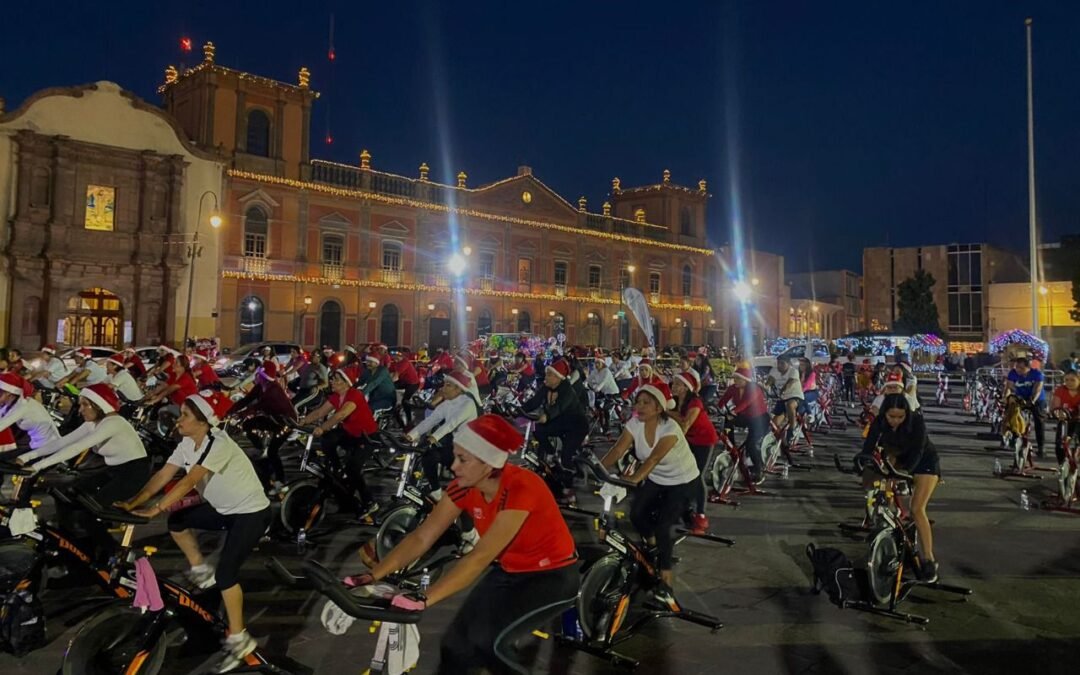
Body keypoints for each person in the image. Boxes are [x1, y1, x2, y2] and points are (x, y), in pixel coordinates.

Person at [353, 414, 578, 674]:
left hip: (553, 577)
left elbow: (478, 557)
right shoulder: (464, 487)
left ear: (489, 463)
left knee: (489, 645)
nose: (453, 466)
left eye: (463, 459)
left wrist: (425, 598)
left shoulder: (521, 487)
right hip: (509, 572)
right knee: (454, 646)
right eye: (454, 456)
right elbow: (422, 536)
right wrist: (372, 575)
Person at [118, 392, 271, 673]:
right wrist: (134, 502)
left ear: (202, 421)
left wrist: (156, 508)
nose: (178, 421)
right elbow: (164, 474)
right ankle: (202, 573)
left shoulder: (217, 443)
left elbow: (189, 480)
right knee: (177, 521)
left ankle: (240, 641)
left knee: (227, 576)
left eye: (185, 415)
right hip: (224, 510)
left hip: (251, 514)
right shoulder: (188, 443)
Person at [20, 384, 150, 554]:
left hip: (132, 474)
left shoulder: (113, 423)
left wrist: (37, 466)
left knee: (88, 514)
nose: (80, 410)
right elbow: (63, 442)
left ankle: (111, 552)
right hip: (112, 470)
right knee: (63, 493)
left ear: (99, 405)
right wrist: (25, 458)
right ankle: (73, 545)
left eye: (85, 405)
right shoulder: (93, 423)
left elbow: (76, 448)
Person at [599, 381, 699, 589]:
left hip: (683, 480)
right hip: (657, 479)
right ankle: (653, 546)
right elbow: (618, 450)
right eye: (638, 402)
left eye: (646, 403)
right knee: (636, 514)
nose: (640, 407)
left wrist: (633, 479)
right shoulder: (634, 425)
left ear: (659, 408)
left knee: (664, 525)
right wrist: (597, 468)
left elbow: (653, 459)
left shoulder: (670, 428)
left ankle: (666, 578)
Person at [860, 393, 941, 582]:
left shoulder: (917, 422)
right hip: (898, 459)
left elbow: (918, 451)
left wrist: (904, 475)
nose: (895, 421)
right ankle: (890, 526)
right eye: (891, 416)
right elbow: (868, 447)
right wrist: (862, 464)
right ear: (884, 414)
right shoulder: (879, 422)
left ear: (907, 414)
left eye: (900, 417)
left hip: (924, 462)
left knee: (917, 509)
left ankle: (928, 559)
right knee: (873, 483)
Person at [298, 368, 380, 519]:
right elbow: (319, 412)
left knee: (352, 469)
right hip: (350, 433)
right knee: (328, 439)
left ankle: (369, 501)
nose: (332, 382)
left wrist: (322, 428)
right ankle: (335, 467)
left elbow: (340, 415)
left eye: (336, 379)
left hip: (366, 437)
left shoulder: (355, 395)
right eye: (332, 379)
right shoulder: (336, 396)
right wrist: (302, 421)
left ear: (346, 383)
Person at [405, 370, 480, 513]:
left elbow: (451, 424)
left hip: (471, 452)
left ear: (458, 389)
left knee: (462, 496)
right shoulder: (448, 403)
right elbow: (430, 421)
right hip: (456, 447)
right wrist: (410, 436)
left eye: (448, 386)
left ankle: (469, 533)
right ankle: (436, 491)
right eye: (444, 385)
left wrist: (432, 439)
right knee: (429, 456)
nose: (442, 389)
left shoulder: (468, 403)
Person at [521, 359, 589, 504]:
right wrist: (518, 410)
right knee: (538, 430)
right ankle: (551, 454)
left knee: (566, 455)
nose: (546, 377)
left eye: (550, 375)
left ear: (559, 377)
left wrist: (547, 416)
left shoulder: (567, 390)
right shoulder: (546, 387)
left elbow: (560, 407)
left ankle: (569, 492)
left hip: (576, 425)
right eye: (546, 374)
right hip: (562, 422)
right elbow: (534, 402)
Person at [227, 360, 297, 494]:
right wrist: (229, 411)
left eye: (259, 374)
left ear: (264, 376)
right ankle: (260, 447)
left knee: (273, 451)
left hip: (286, 423)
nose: (256, 376)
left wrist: (240, 414)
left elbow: (257, 407)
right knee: (248, 425)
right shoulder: (261, 386)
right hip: (272, 418)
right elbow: (247, 400)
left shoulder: (273, 390)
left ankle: (281, 482)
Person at [669, 369, 716, 534]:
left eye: (676, 383)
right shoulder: (676, 401)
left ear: (685, 387)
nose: (673, 386)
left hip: (704, 440)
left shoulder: (695, 402)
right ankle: (684, 509)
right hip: (689, 440)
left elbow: (684, 425)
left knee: (696, 475)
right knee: (682, 473)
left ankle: (701, 515)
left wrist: (667, 412)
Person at [715, 366, 771, 483]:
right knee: (727, 423)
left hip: (759, 419)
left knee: (751, 445)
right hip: (745, 417)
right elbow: (723, 399)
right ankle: (732, 447)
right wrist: (716, 408)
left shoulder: (754, 389)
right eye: (734, 378)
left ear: (745, 379)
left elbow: (746, 402)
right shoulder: (733, 388)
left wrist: (734, 411)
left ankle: (759, 469)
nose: (734, 380)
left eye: (737, 378)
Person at [0, 372, 60, 453]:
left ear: (9, 393)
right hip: (30, 441)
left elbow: (2, 424)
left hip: (43, 447)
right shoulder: (14, 402)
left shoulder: (22, 406)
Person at [1006, 357, 1046, 457]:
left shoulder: (1037, 374)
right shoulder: (1013, 373)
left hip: (1037, 400)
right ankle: (1014, 438)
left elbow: (1038, 389)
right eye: (1017, 367)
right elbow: (1010, 386)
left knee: (1039, 421)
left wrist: (1032, 400)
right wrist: (1011, 396)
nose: (1018, 370)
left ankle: (1041, 447)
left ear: (1028, 368)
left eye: (1021, 368)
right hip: (1021, 398)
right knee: (1013, 416)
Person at [767, 357, 803, 444]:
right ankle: (777, 442)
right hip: (782, 399)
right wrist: (765, 387)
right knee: (774, 424)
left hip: (795, 396)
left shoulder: (793, 371)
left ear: (788, 364)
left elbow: (789, 384)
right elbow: (769, 382)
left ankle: (792, 428)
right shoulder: (774, 371)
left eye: (782, 363)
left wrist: (782, 390)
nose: (779, 366)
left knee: (790, 405)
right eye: (778, 363)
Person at [1050, 370, 1080, 465]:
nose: (1069, 383)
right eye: (1066, 380)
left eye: (1072, 380)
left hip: (1078, 420)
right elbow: (1055, 407)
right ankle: (1062, 466)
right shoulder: (1060, 390)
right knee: (1060, 445)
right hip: (1064, 419)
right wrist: (1058, 414)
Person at [587, 356, 620, 435]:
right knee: (596, 406)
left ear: (603, 364)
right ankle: (601, 424)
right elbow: (589, 380)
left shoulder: (606, 371)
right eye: (596, 363)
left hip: (612, 392)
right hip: (603, 392)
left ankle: (607, 427)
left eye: (599, 363)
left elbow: (603, 382)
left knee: (605, 408)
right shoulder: (594, 371)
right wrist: (587, 385)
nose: (597, 365)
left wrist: (597, 388)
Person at [389, 350, 420, 428]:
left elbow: (395, 376)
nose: (395, 358)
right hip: (404, 381)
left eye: (397, 357)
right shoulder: (395, 362)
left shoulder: (404, 362)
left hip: (413, 384)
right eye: (394, 357)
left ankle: (409, 421)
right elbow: (390, 372)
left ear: (401, 357)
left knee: (405, 401)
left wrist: (387, 383)